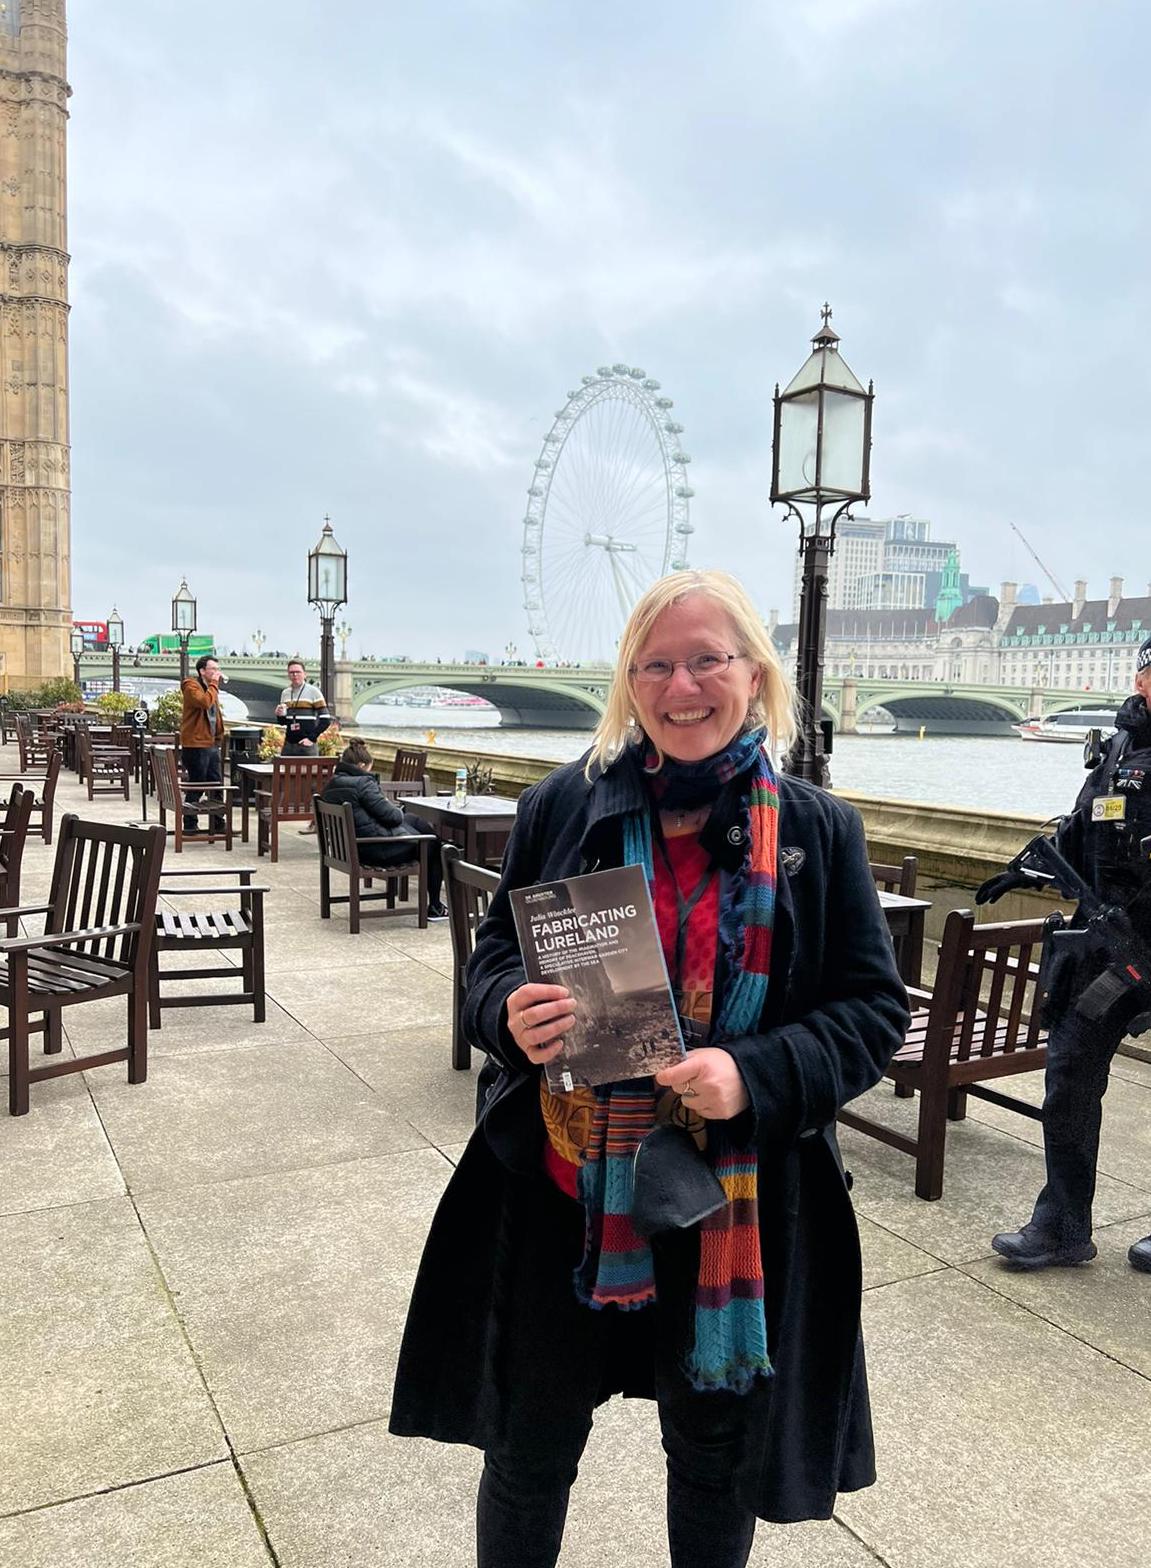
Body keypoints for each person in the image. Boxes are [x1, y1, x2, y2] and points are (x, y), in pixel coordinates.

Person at [389, 569, 910, 1566]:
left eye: (706, 660)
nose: (681, 687)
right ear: (628, 682)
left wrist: (754, 1073)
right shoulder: (561, 805)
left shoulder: (816, 829)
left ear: (754, 674)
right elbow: (491, 958)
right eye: (655, 664)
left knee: (712, 1462)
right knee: (527, 1450)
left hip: (727, 1206)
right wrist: (508, 1011)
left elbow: (872, 1010)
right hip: (566, 1191)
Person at [990, 640, 1151, 1275]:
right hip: (1107, 947)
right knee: (1070, 1078)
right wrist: (1034, 866)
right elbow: (1084, 827)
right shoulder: (1117, 749)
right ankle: (1061, 1227)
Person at [320, 739, 448, 919]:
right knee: (433, 845)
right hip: (373, 850)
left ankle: (444, 845)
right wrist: (391, 806)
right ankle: (435, 906)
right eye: (369, 767)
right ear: (361, 765)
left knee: (414, 820)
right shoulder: (363, 784)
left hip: (348, 849)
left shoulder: (331, 784)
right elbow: (393, 817)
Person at [179, 654, 226, 836]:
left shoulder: (210, 688)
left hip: (211, 744)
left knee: (216, 784)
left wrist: (219, 736)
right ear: (202, 671)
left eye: (217, 669)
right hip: (195, 745)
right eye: (212, 669)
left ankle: (218, 822)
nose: (216, 672)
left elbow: (215, 714)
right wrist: (214, 684)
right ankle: (190, 824)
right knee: (197, 784)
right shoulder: (191, 685)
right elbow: (204, 703)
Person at [275, 659, 331, 756]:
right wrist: (279, 715)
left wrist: (311, 738)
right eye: (291, 672)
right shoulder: (285, 693)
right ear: (288, 675)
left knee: (309, 767)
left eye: (298, 672)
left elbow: (326, 720)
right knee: (285, 766)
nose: (295, 675)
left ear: (305, 674)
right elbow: (283, 722)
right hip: (289, 744)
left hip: (307, 746)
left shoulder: (314, 692)